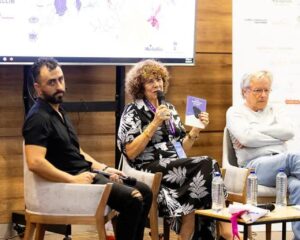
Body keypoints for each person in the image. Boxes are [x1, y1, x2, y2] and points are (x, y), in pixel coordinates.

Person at [22, 57, 152, 240]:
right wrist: (73, 179)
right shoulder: (38, 118)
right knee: (132, 198)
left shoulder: (59, 111)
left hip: (87, 174)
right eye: (51, 82)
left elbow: (77, 152)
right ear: (37, 87)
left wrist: (104, 168)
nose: (59, 86)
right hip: (72, 183)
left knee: (145, 192)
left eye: (60, 79)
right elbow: (35, 162)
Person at [117, 59, 231, 240]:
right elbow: (130, 152)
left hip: (173, 165)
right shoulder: (132, 111)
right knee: (209, 163)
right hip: (147, 167)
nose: (157, 84)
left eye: (159, 79)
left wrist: (196, 129)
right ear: (140, 86)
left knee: (204, 172)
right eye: (150, 81)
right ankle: (225, 231)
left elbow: (181, 149)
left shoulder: (169, 108)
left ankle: (190, 232)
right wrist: (154, 123)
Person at [226, 70, 300, 240]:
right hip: (254, 166)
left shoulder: (275, 109)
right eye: (258, 90)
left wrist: (255, 130)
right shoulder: (235, 112)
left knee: (297, 186)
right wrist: (276, 138)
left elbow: (288, 132)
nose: (263, 95)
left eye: (267, 90)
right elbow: (246, 138)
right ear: (245, 91)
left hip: (282, 167)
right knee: (294, 157)